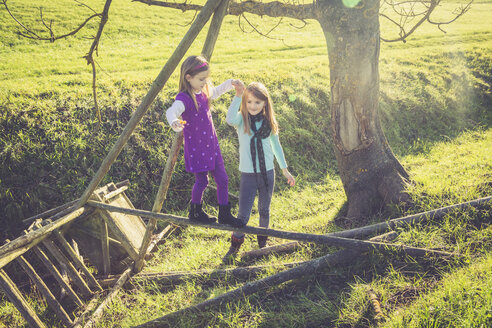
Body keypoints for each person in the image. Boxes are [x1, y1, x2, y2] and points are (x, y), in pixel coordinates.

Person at [165, 55, 242, 226]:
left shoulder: (205, 90)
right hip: (197, 148)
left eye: (206, 78)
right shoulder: (184, 98)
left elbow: (216, 92)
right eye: (201, 79)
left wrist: (230, 83)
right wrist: (174, 122)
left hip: (212, 145)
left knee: (223, 179)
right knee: (202, 181)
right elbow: (171, 112)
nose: (205, 82)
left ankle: (224, 214)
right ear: (188, 78)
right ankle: (195, 211)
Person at [223, 81, 295, 263]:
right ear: (244, 103)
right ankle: (235, 244)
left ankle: (262, 244)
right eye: (249, 102)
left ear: (265, 103)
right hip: (248, 175)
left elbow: (276, 147)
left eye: (257, 102)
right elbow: (229, 119)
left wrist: (285, 170)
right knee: (243, 215)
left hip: (267, 173)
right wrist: (238, 95)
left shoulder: (269, 123)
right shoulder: (241, 119)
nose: (253, 106)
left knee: (264, 209)